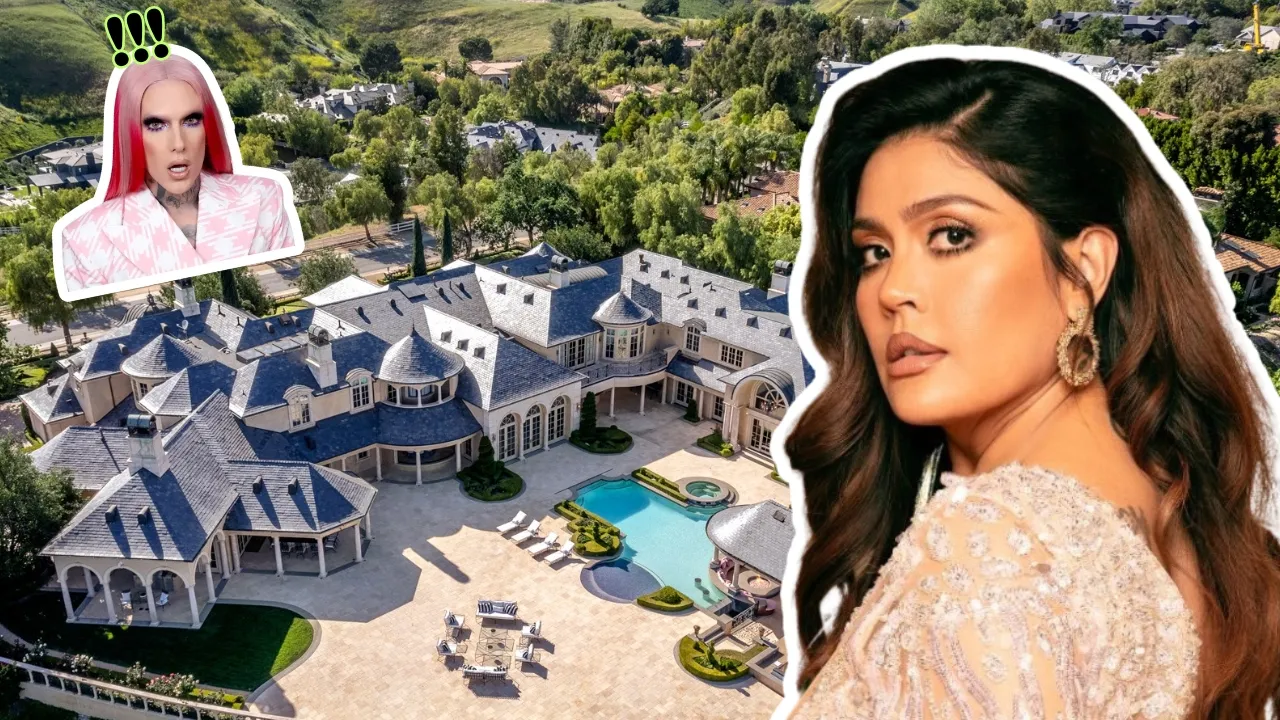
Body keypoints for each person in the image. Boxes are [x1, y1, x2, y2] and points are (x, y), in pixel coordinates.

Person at [780, 48, 1280, 719]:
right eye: (874, 252)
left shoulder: (990, 558)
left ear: (1083, 272)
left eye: (951, 235)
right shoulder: (1170, 500)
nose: (893, 289)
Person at [54, 48, 299, 298]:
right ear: (130, 134)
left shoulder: (264, 197)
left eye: (191, 121)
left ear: (209, 126)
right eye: (156, 125)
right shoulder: (82, 240)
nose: (178, 143)